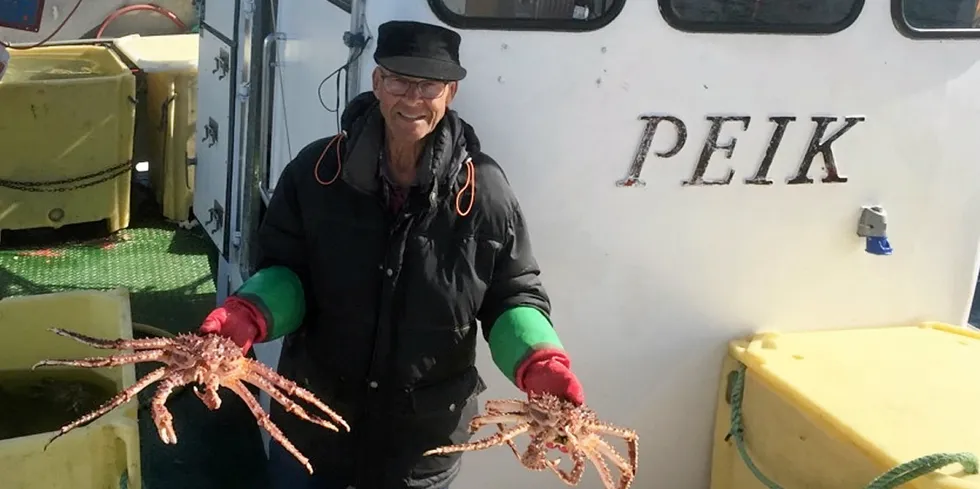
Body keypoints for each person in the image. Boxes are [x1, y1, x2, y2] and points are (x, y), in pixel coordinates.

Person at [199, 20, 585, 489]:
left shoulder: (484, 192)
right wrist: (248, 312)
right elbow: (285, 270)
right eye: (399, 79)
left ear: (451, 92)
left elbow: (511, 296)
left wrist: (540, 360)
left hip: (421, 442)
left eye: (429, 84)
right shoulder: (316, 173)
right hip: (314, 421)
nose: (412, 97)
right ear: (377, 82)